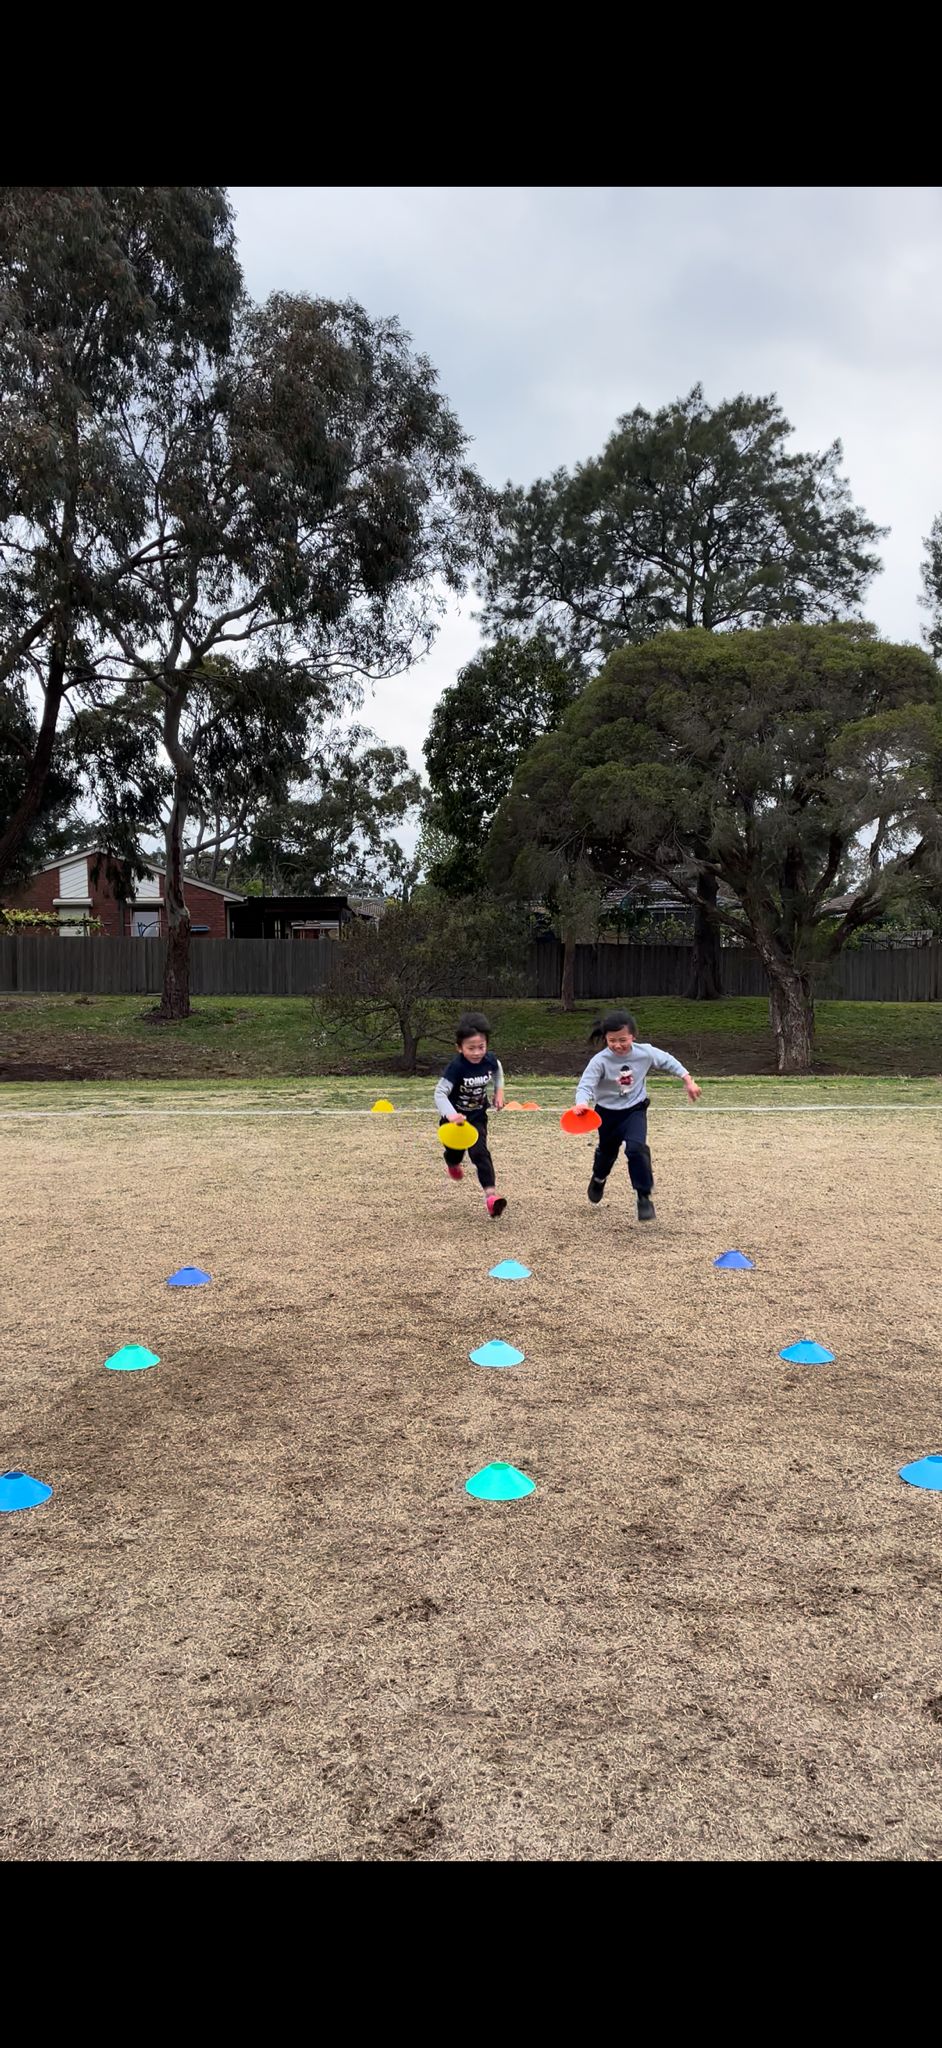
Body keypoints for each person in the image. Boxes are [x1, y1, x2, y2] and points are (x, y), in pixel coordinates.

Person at [574, 1009, 701, 1220]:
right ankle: (598, 1178)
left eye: (623, 1039)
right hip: (606, 1113)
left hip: (635, 1110)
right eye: (612, 1040)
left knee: (636, 1149)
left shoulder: (645, 1052)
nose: (617, 1045)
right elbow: (585, 1086)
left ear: (633, 1036)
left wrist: (688, 1080)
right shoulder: (600, 1061)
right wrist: (581, 1104)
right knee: (607, 1152)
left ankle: (644, 1197)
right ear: (605, 1038)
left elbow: (668, 1061)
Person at [434, 1011, 507, 1218]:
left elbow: (498, 1070)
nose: (477, 1053)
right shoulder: (456, 1067)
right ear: (459, 1048)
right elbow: (440, 1093)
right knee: (455, 1153)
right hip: (454, 1122)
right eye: (471, 1048)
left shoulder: (490, 1060)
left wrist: (498, 1092)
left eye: (481, 1047)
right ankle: (452, 1162)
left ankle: (491, 1197)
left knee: (480, 1153)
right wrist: (451, 1115)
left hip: (476, 1117)